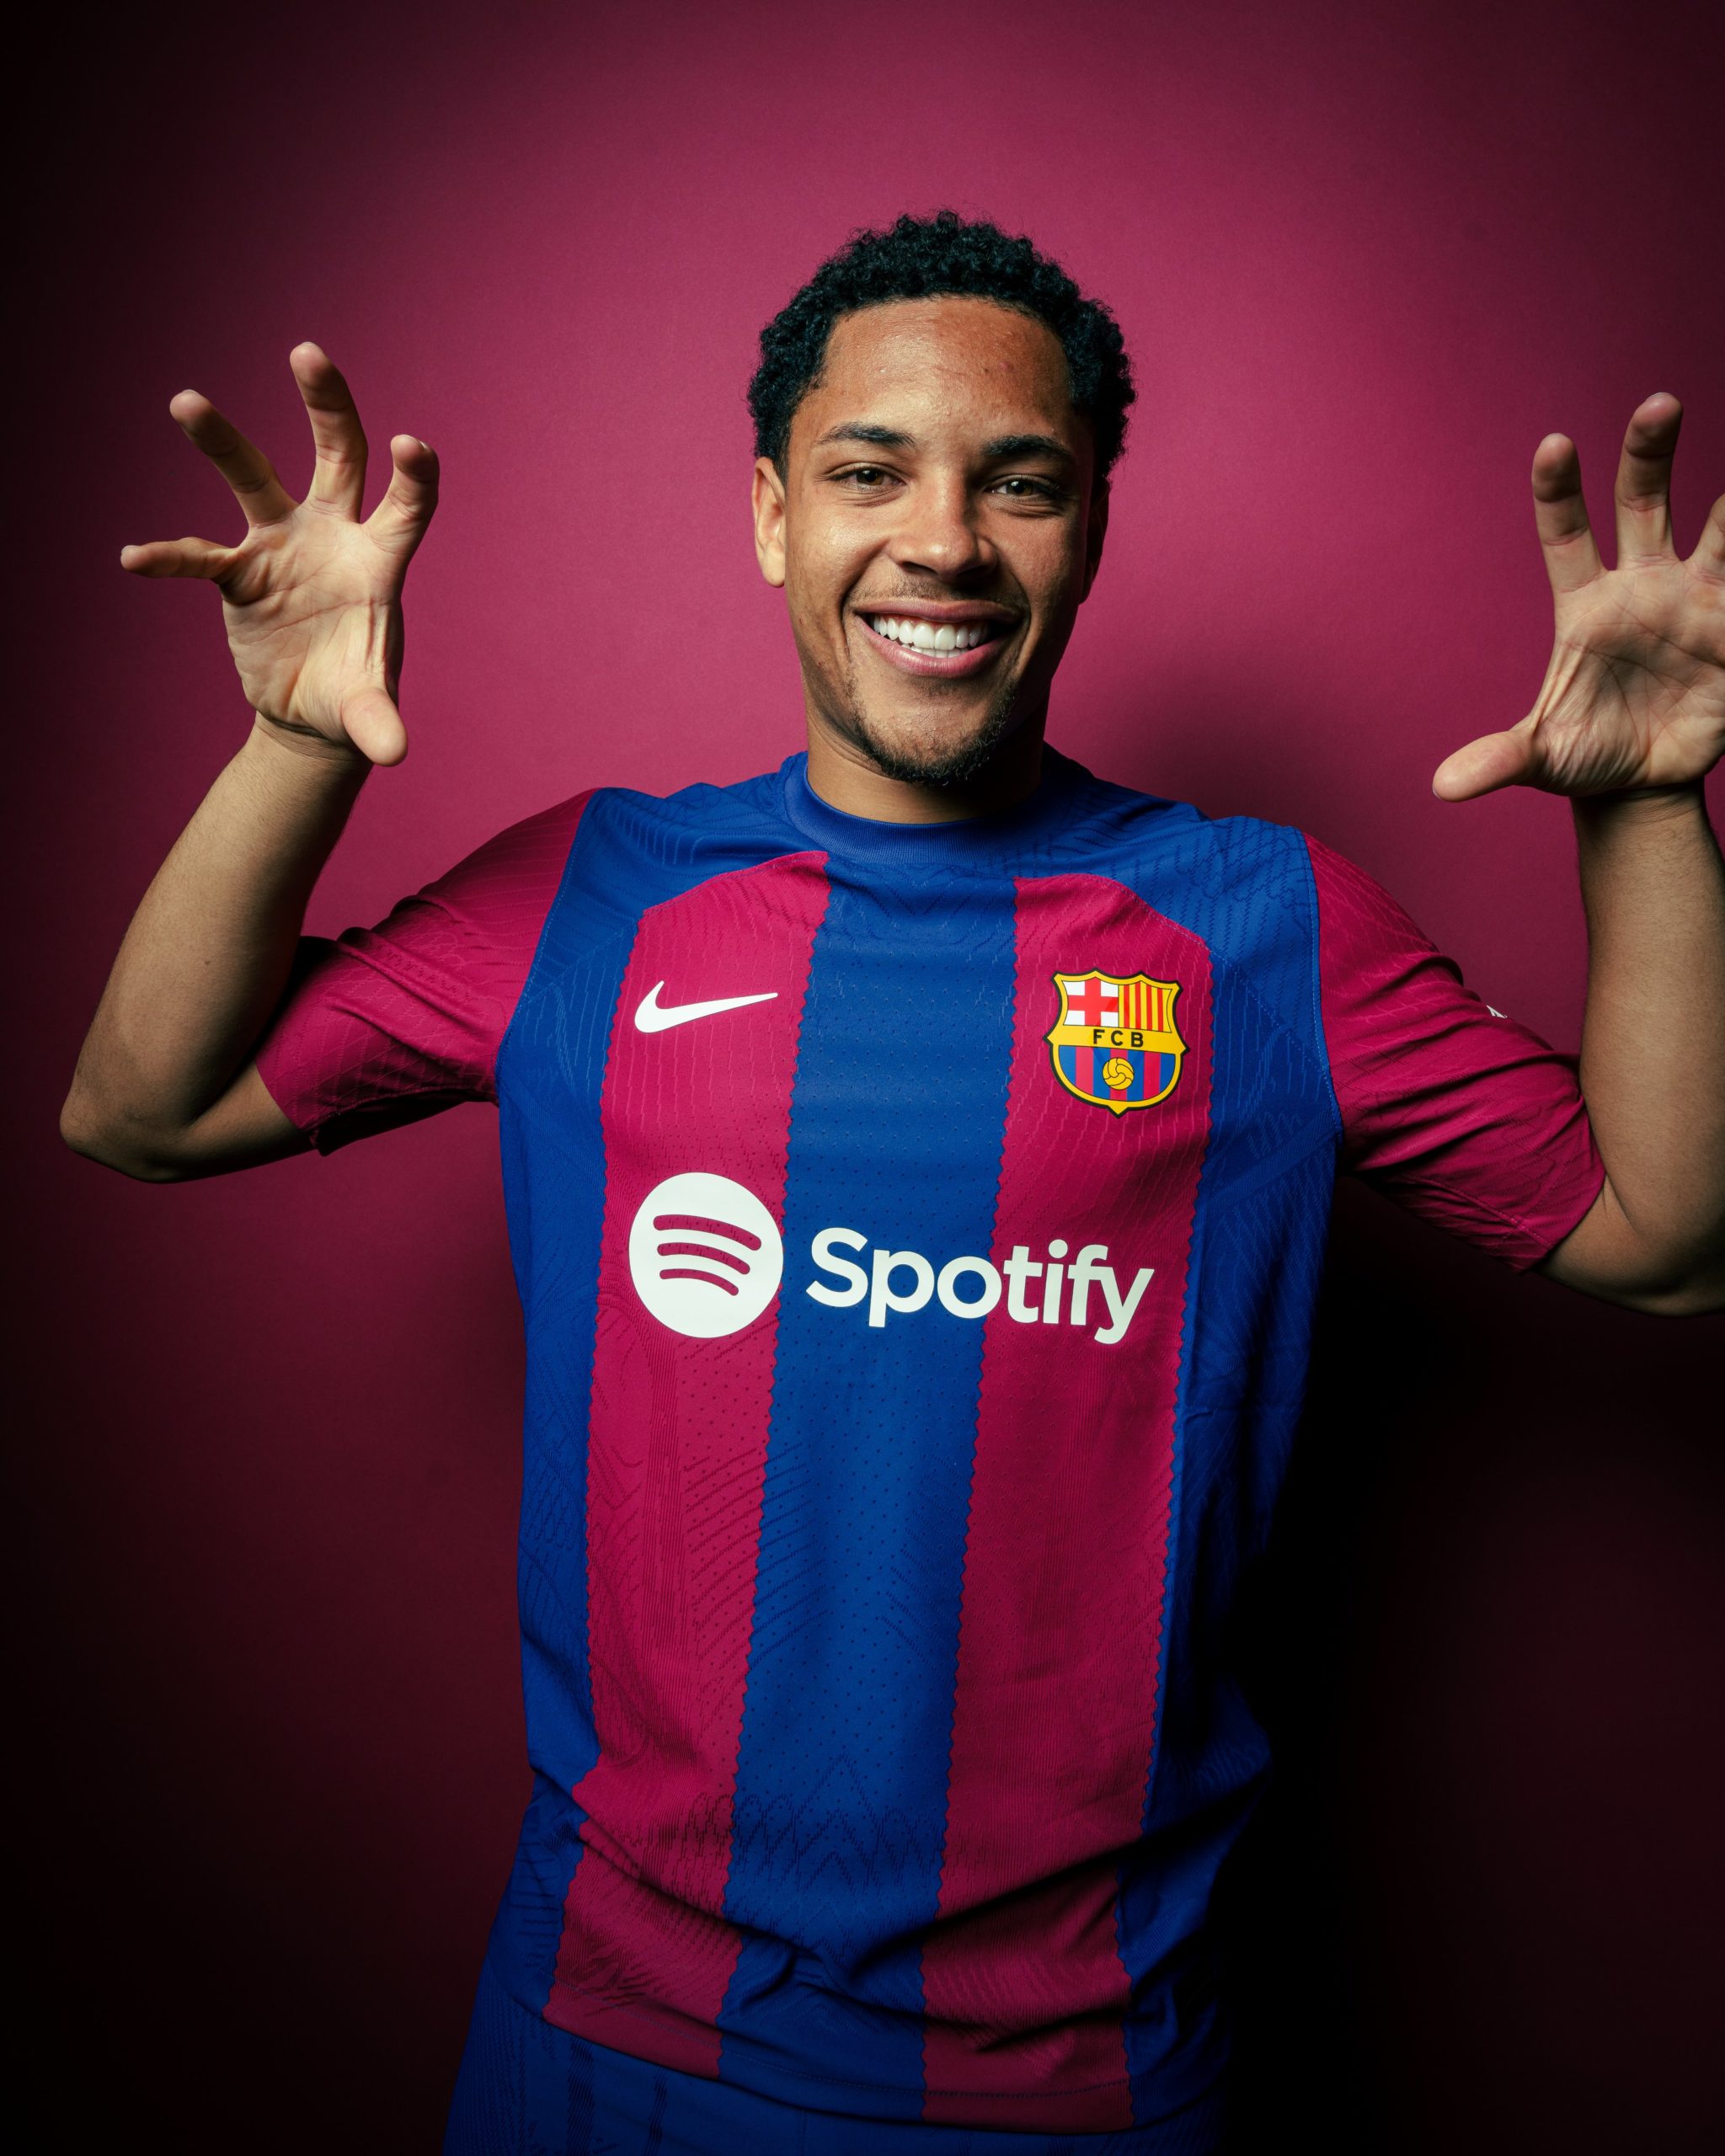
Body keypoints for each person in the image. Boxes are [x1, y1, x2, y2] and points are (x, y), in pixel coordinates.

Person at [62, 212, 1724, 2154]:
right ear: (773, 516)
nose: (943, 538)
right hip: (609, 2043)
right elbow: (144, 1104)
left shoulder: (1262, 926)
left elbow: (1670, 1239)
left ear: (1088, 529)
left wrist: (1643, 805)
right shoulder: (591, 896)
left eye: (1018, 481)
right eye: (869, 471)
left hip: (1082, 2085)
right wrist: (292, 745)